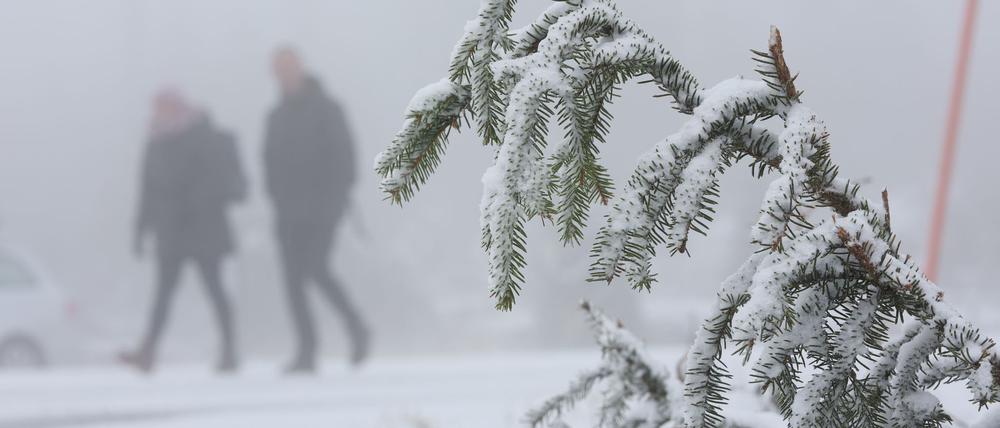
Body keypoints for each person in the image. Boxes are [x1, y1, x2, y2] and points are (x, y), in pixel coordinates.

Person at [121, 89, 246, 373]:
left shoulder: (204, 136)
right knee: (163, 295)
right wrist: (140, 230)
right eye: (158, 108)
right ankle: (148, 351)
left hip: (204, 230)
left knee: (215, 290)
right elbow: (148, 191)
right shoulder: (156, 142)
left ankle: (229, 349)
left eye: (166, 107)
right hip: (171, 232)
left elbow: (217, 181)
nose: (160, 113)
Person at [264, 47, 369, 373]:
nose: (284, 75)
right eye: (278, 70)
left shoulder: (326, 109)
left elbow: (345, 157)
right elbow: (268, 161)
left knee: (315, 268)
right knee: (292, 281)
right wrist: (277, 198)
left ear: (300, 69)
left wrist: (335, 199)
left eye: (288, 68)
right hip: (287, 211)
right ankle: (306, 351)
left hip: (323, 208)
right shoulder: (276, 116)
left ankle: (356, 327)